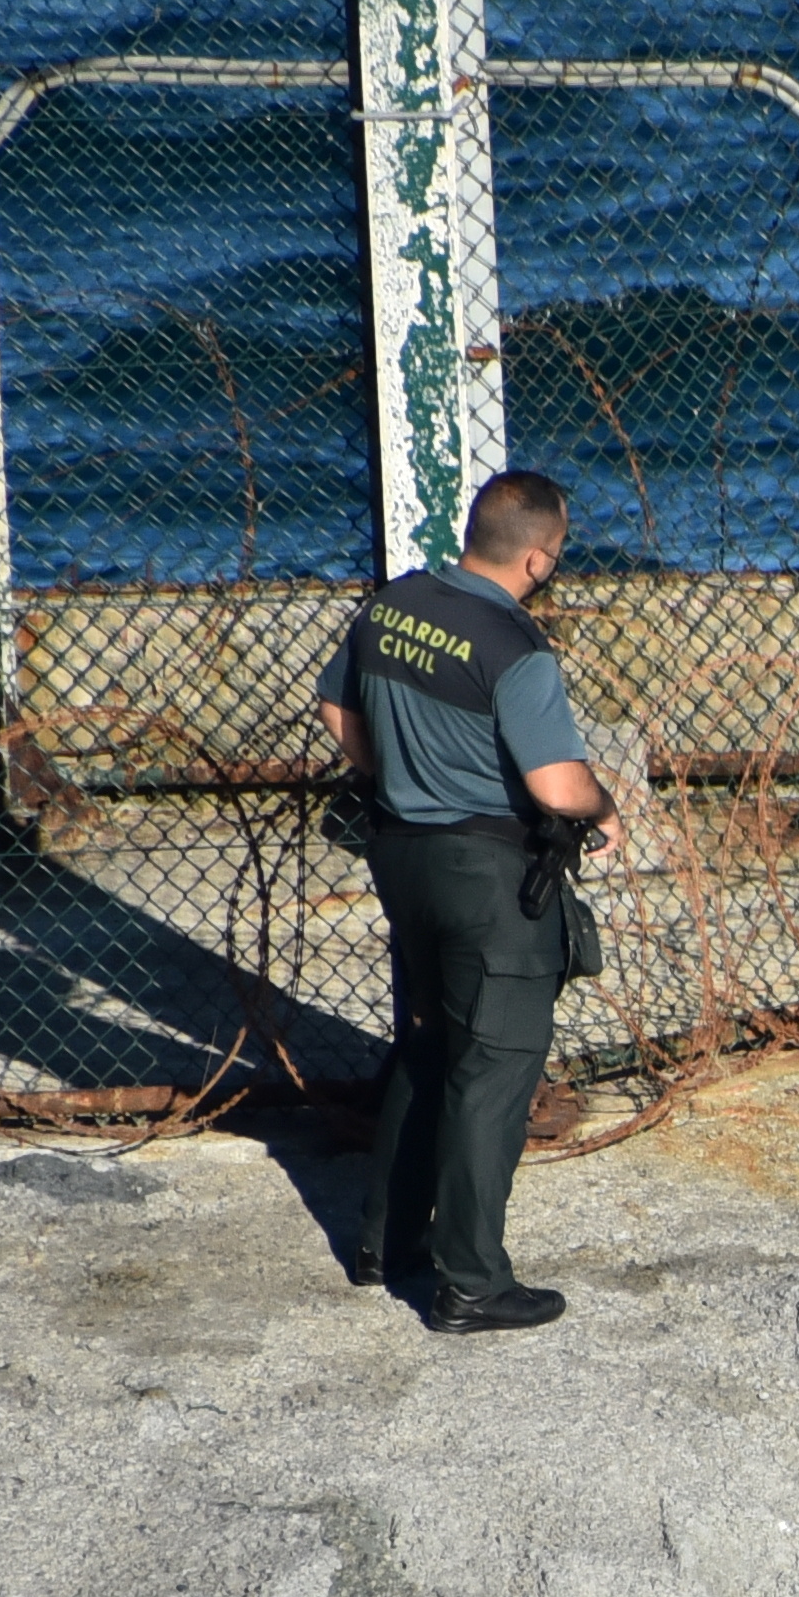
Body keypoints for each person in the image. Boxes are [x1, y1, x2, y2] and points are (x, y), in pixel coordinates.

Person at [313, 469, 610, 1335]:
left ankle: (385, 1243)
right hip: (489, 879)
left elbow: (337, 705)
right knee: (495, 1071)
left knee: (431, 1046)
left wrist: (387, 773)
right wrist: (606, 806)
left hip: (402, 858)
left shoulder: (392, 605)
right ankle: (472, 1283)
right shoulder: (514, 646)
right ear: (540, 559)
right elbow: (556, 785)